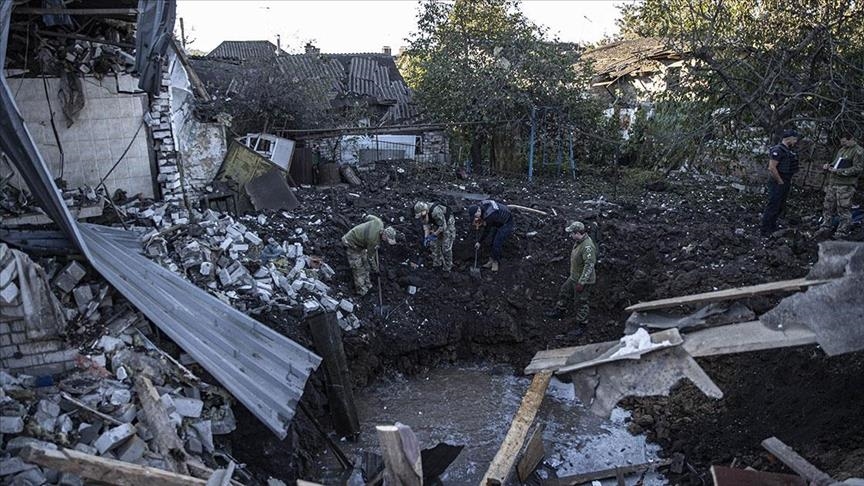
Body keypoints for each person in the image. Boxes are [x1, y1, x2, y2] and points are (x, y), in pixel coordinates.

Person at [545, 221, 597, 324]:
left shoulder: (587, 247)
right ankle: (560, 310)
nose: (570, 235)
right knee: (565, 290)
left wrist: (582, 282)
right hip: (574, 277)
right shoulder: (579, 242)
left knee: (581, 302)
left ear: (577, 233)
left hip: (583, 280)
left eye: (572, 233)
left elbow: (589, 265)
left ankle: (582, 324)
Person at [818, 132, 864, 237]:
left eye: (844, 142)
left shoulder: (858, 151)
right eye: (841, 142)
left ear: (851, 139)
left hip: (846, 185)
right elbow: (836, 164)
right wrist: (828, 166)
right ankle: (825, 227)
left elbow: (858, 169)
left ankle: (842, 232)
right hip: (833, 183)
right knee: (828, 206)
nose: (842, 144)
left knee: (843, 208)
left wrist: (838, 171)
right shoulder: (842, 150)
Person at [341, 215, 396, 296]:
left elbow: (368, 217)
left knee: (366, 265)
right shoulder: (374, 241)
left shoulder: (379, 222)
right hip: (350, 242)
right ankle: (362, 291)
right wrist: (376, 270)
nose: (386, 241)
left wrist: (364, 231)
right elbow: (370, 258)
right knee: (358, 268)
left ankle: (368, 284)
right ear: (384, 235)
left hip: (360, 243)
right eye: (387, 239)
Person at [760, 129, 800, 237]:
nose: (796, 142)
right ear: (790, 138)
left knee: (779, 206)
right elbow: (772, 168)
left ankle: (772, 226)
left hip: (784, 181)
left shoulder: (787, 150)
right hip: (777, 181)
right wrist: (780, 181)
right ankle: (765, 229)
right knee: (773, 205)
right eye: (795, 139)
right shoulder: (778, 150)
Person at [468, 199, 513, 272]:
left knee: (497, 242)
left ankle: (495, 262)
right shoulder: (480, 206)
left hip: (506, 222)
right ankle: (491, 260)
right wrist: (479, 221)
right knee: (492, 240)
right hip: (497, 219)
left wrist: (479, 242)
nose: (476, 218)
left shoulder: (489, 215)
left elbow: (487, 231)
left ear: (478, 211)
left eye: (476, 216)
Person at [414, 201, 456, 272]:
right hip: (436, 223)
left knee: (446, 247)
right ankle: (437, 264)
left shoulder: (435, 212)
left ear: (424, 211)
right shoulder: (423, 215)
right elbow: (426, 226)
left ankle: (447, 267)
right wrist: (426, 237)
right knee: (433, 244)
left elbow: (442, 227)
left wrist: (434, 235)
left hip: (447, 223)